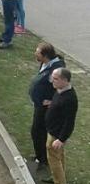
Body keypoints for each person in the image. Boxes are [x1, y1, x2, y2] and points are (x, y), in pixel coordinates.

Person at [28, 42, 65, 170]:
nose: (35, 54)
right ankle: (40, 155)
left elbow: (62, 88)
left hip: (46, 107)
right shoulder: (45, 63)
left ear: (45, 56)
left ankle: (43, 159)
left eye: (37, 52)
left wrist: (52, 102)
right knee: (38, 131)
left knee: (38, 131)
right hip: (39, 104)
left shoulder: (57, 70)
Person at [43, 67, 79, 184]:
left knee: (54, 159)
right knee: (59, 157)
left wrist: (61, 139)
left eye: (56, 79)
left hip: (56, 135)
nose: (52, 81)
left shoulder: (70, 99)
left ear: (65, 80)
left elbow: (69, 122)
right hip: (53, 130)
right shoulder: (60, 90)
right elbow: (59, 105)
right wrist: (52, 104)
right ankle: (58, 177)